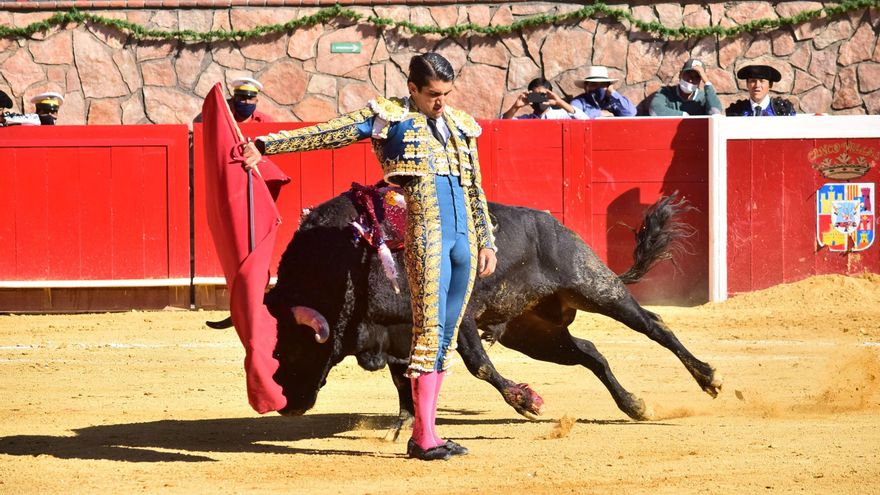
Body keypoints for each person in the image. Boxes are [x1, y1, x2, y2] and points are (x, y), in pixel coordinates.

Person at [242, 52, 497, 461]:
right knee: (429, 334)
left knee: (447, 338)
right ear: (412, 88)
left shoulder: (460, 125)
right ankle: (424, 436)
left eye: (447, 94)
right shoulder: (388, 118)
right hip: (427, 235)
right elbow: (329, 133)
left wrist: (486, 239)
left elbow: (474, 189)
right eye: (433, 94)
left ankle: (427, 431)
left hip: (463, 241)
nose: (441, 102)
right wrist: (265, 144)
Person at [649, 59, 722, 116]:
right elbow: (654, 110)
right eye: (688, 74)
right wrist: (683, 116)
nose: (690, 80)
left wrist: (707, 82)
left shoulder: (703, 98)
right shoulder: (666, 92)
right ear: (680, 75)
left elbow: (715, 112)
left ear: (700, 80)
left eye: (696, 77)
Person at [725, 65, 796, 116]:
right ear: (747, 84)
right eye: (753, 81)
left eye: (762, 81)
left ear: (770, 85)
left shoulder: (783, 110)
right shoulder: (736, 111)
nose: (757, 85)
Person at [501, 77, 586, 119]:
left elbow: (584, 120)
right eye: (535, 95)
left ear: (550, 95)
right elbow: (500, 126)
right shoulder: (526, 120)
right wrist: (515, 107)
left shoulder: (561, 115)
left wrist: (560, 102)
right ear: (530, 97)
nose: (539, 98)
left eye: (543, 95)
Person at [569, 66, 637, 118]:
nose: (599, 88)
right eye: (594, 84)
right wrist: (599, 113)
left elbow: (631, 113)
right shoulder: (579, 102)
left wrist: (613, 93)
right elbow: (573, 114)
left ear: (608, 86)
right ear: (586, 87)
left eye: (603, 84)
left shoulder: (614, 101)